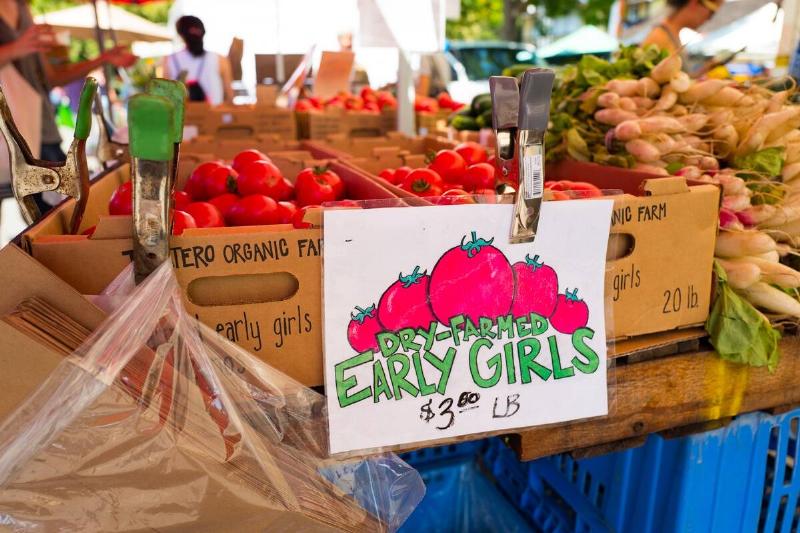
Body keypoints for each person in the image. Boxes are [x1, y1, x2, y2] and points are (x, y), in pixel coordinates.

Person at [0, 0, 137, 164]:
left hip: (44, 128)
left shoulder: (22, 6)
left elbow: (52, 78)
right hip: (8, 138)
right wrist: (15, 48)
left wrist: (103, 58)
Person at [163, 16, 233, 105]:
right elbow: (230, 96)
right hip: (213, 116)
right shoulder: (220, 59)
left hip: (181, 117)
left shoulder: (169, 60)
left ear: (180, 34)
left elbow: (165, 96)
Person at [642, 0, 724, 56]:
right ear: (694, 3)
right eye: (711, 13)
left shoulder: (672, 35)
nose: (708, 19)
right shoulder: (659, 38)